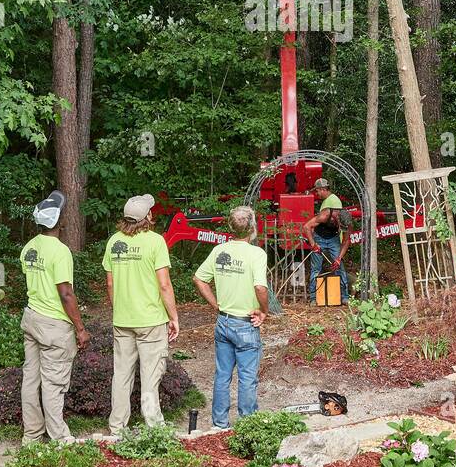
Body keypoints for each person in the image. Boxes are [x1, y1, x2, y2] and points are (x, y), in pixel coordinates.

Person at [101, 193, 179, 439]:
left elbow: (110, 284)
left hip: (123, 320)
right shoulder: (155, 242)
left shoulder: (114, 241)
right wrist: (174, 317)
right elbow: (164, 285)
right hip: (151, 320)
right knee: (150, 374)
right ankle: (153, 427)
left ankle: (117, 428)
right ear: (147, 216)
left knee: (122, 374)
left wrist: (119, 309)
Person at [19, 189, 90, 445]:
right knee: (54, 383)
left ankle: (32, 435)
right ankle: (59, 438)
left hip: (32, 318)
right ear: (59, 222)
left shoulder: (29, 249)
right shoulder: (60, 252)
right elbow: (66, 294)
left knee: (31, 380)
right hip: (53, 325)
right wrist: (80, 328)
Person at [192, 206, 269, 429]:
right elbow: (260, 287)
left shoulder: (219, 251)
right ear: (253, 227)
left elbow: (199, 279)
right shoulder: (256, 254)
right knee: (247, 377)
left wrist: (217, 305)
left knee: (222, 375)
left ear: (230, 227)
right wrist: (264, 311)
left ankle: (220, 424)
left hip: (224, 322)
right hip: (245, 324)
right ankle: (247, 425)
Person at [304, 177, 350, 304]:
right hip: (319, 238)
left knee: (339, 266)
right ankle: (314, 298)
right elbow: (307, 226)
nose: (342, 228)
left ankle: (344, 297)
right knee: (316, 268)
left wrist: (339, 258)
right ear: (335, 219)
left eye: (318, 191)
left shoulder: (346, 220)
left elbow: (346, 241)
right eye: (340, 225)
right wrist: (313, 245)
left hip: (334, 239)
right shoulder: (325, 214)